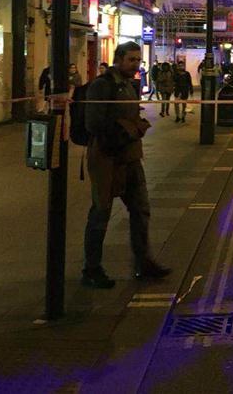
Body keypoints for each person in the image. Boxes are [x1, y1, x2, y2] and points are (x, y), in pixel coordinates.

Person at [82, 41, 170, 288]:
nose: (136, 64)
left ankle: (143, 263)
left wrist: (136, 123)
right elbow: (94, 124)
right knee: (100, 213)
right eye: (131, 60)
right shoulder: (102, 86)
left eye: (138, 60)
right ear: (118, 59)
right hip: (107, 159)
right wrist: (131, 128)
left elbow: (128, 116)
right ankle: (91, 269)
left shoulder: (129, 85)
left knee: (141, 209)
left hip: (130, 158)